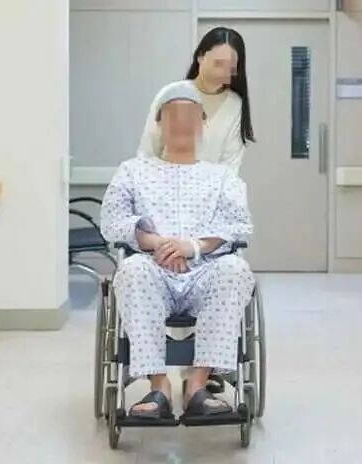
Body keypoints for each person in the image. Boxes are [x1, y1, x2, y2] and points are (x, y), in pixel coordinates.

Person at [101, 81, 255, 419]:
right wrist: (156, 243)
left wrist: (192, 247)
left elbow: (239, 226)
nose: (182, 123)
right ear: (158, 122)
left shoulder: (222, 178)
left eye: (190, 115)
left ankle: (197, 385)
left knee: (236, 270)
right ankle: (159, 388)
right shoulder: (133, 171)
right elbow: (112, 222)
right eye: (173, 115)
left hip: (206, 271)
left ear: (203, 123)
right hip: (152, 270)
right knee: (131, 270)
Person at [138, 27, 255, 175]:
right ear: (200, 57)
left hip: (211, 187)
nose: (221, 73)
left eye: (229, 68)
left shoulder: (234, 105)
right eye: (218, 64)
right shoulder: (171, 94)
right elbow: (148, 151)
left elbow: (230, 166)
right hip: (163, 183)